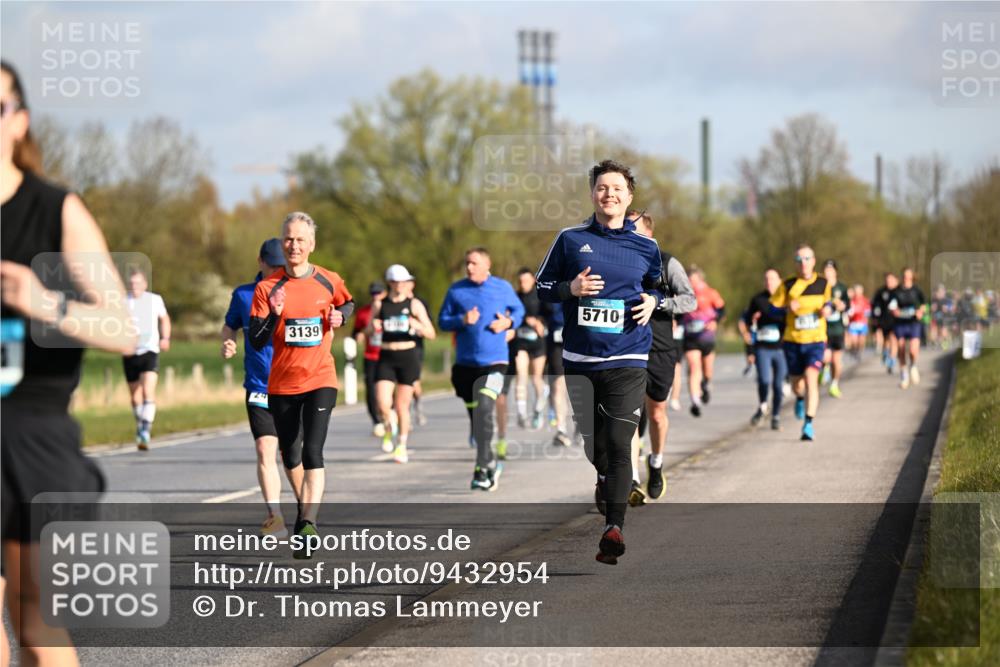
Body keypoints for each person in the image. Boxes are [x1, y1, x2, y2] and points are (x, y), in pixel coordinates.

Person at [1, 60, 137, 667]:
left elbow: (124, 330)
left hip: (33, 433)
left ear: (19, 121)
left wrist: (45, 302)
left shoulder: (55, 208)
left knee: (36, 622)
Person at [536, 159, 661, 565]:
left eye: (617, 188)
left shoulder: (646, 247)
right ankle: (604, 476)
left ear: (629, 196)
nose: (609, 194)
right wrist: (570, 288)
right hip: (580, 359)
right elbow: (542, 287)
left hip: (628, 356)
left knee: (621, 442)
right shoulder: (570, 239)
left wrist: (653, 301)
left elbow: (657, 287)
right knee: (595, 445)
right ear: (593, 194)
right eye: (602, 188)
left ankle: (614, 528)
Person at [248, 212, 354, 558]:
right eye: (288, 239)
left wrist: (341, 316)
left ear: (312, 244)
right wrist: (275, 314)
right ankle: (303, 509)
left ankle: (308, 523)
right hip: (282, 384)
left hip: (321, 378)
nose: (294, 245)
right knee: (290, 455)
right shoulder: (267, 288)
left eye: (300, 240)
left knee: (312, 453)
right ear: (282, 243)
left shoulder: (328, 279)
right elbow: (257, 340)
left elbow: (347, 302)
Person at [221, 238, 304, 538]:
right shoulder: (244, 295)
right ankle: (275, 517)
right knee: (264, 448)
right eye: (273, 266)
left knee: (292, 456)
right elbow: (230, 325)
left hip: (292, 385)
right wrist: (228, 341)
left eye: (281, 267)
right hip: (259, 385)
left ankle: (305, 511)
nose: (277, 272)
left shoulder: (297, 291)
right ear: (261, 262)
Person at [438, 247, 524, 491]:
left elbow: (518, 310)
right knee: (477, 418)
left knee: (485, 408)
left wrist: (508, 322)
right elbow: (442, 321)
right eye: (467, 263)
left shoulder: (502, 287)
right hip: (465, 366)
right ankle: (488, 457)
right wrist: (462, 320)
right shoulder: (456, 290)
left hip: (496, 362)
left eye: (474, 263)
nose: (469, 267)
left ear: (488, 265)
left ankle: (483, 468)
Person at [631, 211, 695, 505]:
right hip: (627, 347)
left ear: (649, 235)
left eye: (634, 229)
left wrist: (659, 303)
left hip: (659, 348)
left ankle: (655, 463)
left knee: (656, 413)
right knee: (629, 415)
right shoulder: (617, 263)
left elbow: (689, 300)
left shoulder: (667, 263)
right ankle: (631, 479)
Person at [368, 264, 435, 463]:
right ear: (390, 283)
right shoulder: (380, 305)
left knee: (401, 406)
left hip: (408, 357)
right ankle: (390, 427)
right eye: (397, 282)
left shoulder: (414, 304)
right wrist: (373, 327)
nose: (401, 285)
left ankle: (401, 445)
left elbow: (431, 333)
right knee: (382, 403)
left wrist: (418, 326)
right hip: (386, 356)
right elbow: (367, 330)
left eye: (404, 282)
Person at [769, 244, 832, 441]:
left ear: (813, 261)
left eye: (807, 259)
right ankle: (799, 397)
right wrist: (787, 308)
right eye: (799, 260)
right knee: (798, 385)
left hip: (816, 340)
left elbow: (828, 303)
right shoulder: (787, 285)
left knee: (811, 378)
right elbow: (771, 310)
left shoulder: (823, 283)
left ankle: (808, 424)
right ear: (795, 263)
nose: (803, 263)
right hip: (793, 341)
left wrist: (827, 310)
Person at [122, 269, 171, 450]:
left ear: (144, 284)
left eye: (137, 283)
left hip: (150, 350)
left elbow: (165, 319)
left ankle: (145, 429)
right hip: (129, 352)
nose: (134, 286)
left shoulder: (154, 300)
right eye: (131, 283)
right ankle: (140, 424)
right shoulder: (123, 301)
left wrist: (165, 338)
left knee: (147, 391)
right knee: (135, 398)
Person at [741, 269, 787, 430]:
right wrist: (749, 351)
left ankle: (776, 416)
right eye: (766, 279)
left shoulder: (785, 299)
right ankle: (763, 405)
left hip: (781, 349)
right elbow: (747, 327)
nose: (769, 282)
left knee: (778, 385)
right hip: (762, 348)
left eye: (773, 279)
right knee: (764, 380)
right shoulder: (757, 300)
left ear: (779, 281)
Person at [681, 267, 725, 417]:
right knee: (694, 367)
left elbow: (721, 309)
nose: (691, 284)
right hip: (690, 337)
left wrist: (715, 321)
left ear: (700, 280)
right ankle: (695, 401)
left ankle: (706, 383)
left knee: (707, 371)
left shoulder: (710, 293)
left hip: (706, 336)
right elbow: (678, 312)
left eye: (693, 280)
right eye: (689, 281)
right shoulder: (683, 294)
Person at [511, 268, 549, 430]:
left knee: (536, 379)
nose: (523, 284)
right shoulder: (515, 296)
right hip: (520, 342)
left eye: (526, 281)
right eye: (520, 281)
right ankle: (521, 413)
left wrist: (540, 322)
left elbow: (550, 314)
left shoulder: (541, 295)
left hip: (538, 343)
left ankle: (538, 409)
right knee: (521, 376)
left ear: (533, 280)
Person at [352, 282, 387, 437]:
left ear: (385, 293)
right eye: (373, 294)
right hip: (371, 356)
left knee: (386, 390)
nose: (376, 296)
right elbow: (355, 333)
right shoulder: (363, 312)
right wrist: (361, 334)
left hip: (387, 355)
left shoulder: (390, 309)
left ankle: (391, 414)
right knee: (371, 390)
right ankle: (376, 421)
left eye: (379, 293)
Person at [890, 268, 926, 389]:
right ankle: (904, 375)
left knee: (912, 350)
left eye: (908, 276)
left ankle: (913, 366)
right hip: (900, 323)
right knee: (901, 349)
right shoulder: (896, 291)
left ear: (912, 277)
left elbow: (924, 304)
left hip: (914, 322)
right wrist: (894, 311)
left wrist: (920, 311)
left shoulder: (917, 290)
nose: (906, 278)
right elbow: (891, 305)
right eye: (904, 276)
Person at [820, 260, 849, 398]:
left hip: (837, 329)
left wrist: (842, 306)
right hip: (822, 329)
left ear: (835, 272)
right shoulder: (819, 287)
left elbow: (848, 306)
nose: (828, 273)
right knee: (825, 357)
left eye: (830, 270)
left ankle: (834, 384)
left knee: (836, 361)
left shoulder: (841, 288)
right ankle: (824, 369)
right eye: (826, 270)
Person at [871, 273, 899, 374]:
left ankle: (892, 360)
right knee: (886, 340)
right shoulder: (881, 292)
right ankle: (885, 353)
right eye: (887, 280)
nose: (889, 282)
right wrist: (875, 317)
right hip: (884, 320)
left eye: (891, 280)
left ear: (896, 280)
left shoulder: (899, 291)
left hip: (896, 320)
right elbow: (875, 305)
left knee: (894, 339)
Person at [847, 284, 871, 359]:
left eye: (859, 291)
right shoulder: (851, 300)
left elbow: (868, 311)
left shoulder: (865, 300)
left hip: (862, 322)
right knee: (854, 340)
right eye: (856, 291)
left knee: (861, 341)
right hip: (853, 323)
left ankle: (859, 351)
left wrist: (865, 314)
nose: (857, 292)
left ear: (861, 291)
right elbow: (848, 311)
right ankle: (854, 350)